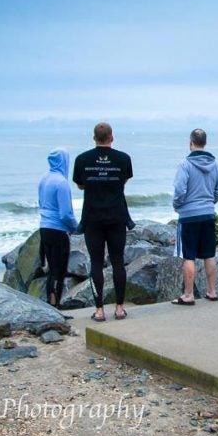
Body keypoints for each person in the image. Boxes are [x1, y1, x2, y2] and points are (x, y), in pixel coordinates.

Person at [73, 122, 133, 322]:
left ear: (94, 138)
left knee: (96, 262)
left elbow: (81, 185)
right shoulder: (124, 159)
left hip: (92, 217)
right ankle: (119, 308)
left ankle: (99, 310)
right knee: (118, 262)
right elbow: (122, 182)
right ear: (112, 137)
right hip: (117, 216)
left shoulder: (82, 159)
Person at [171, 128, 218, 305]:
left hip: (188, 216)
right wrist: (209, 202)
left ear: (190, 143)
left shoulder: (185, 165)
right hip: (208, 214)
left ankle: (188, 295)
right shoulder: (215, 164)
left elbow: (180, 191)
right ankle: (212, 291)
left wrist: (178, 206)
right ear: (205, 143)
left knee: (188, 256)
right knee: (209, 254)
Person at [38, 148, 79, 309]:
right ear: (64, 162)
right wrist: (76, 228)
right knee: (59, 271)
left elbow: (41, 204)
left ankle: (51, 304)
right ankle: (56, 307)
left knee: (52, 270)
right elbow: (66, 214)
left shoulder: (44, 179)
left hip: (44, 228)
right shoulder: (62, 183)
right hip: (58, 231)